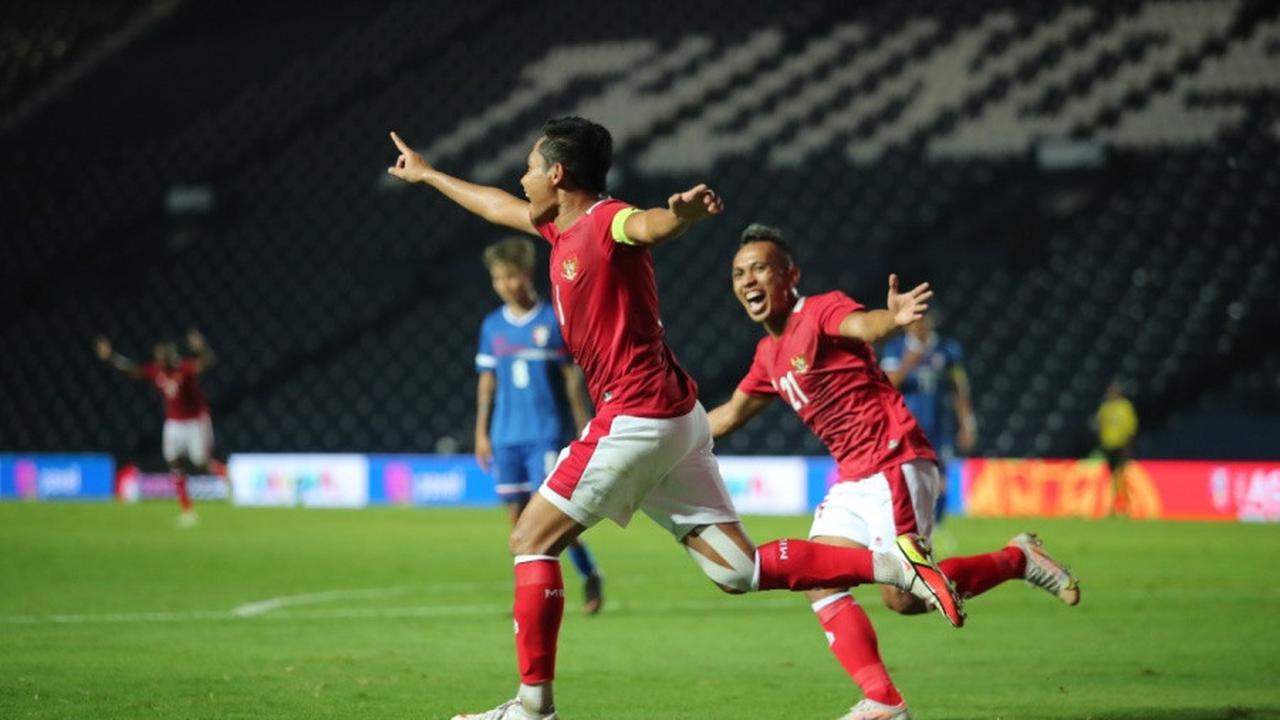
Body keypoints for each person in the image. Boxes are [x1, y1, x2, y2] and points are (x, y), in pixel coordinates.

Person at [386, 117, 962, 720]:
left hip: (635, 413)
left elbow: (647, 226)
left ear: (557, 174)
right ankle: (897, 565)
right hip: (676, 418)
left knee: (529, 539)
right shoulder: (555, 227)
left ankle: (532, 709)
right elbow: (495, 205)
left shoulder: (607, 219)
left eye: (531, 166)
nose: (522, 176)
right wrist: (427, 174)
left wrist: (680, 214)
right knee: (742, 570)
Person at [707, 224, 1081, 720]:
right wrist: (665, 438)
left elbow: (866, 326)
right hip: (853, 477)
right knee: (819, 580)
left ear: (789, 276)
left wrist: (894, 316)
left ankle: (1018, 559)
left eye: (760, 268)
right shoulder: (767, 354)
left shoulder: (818, 311)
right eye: (738, 273)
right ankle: (883, 701)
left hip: (894, 461)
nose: (748, 280)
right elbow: (729, 415)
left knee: (901, 599)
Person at [475, 236, 604, 614]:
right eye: (498, 279)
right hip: (505, 437)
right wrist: (481, 432)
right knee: (517, 526)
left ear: (527, 273)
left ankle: (583, 575)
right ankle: (531, 596)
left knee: (548, 522)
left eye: (511, 276)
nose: (505, 286)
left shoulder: (552, 320)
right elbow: (487, 381)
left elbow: (571, 378)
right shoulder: (492, 326)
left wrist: (584, 425)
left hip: (545, 434)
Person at [94, 329, 219, 527]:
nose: (159, 361)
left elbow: (207, 363)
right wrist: (111, 357)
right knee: (174, 463)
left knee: (201, 463)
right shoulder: (158, 371)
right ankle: (188, 511)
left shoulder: (184, 369)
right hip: (174, 423)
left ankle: (227, 477)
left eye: (163, 357)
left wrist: (202, 347)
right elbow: (133, 370)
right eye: (158, 357)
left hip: (195, 421)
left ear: (171, 356)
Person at [879, 312, 976, 528]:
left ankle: (937, 526)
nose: (918, 325)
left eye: (923, 319)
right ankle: (905, 523)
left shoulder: (947, 350)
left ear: (931, 321)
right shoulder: (895, 348)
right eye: (914, 321)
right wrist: (908, 361)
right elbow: (886, 386)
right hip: (905, 427)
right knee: (905, 476)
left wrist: (967, 424)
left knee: (939, 478)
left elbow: (959, 390)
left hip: (939, 426)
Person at [1096, 380, 1138, 516]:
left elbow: (1131, 428)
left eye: (1114, 391)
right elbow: (1100, 426)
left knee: (1121, 476)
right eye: (1110, 391)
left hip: (1122, 445)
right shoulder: (1105, 408)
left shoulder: (1125, 407)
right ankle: (1115, 507)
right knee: (1113, 477)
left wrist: (1128, 446)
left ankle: (1126, 506)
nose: (1112, 393)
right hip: (1108, 446)